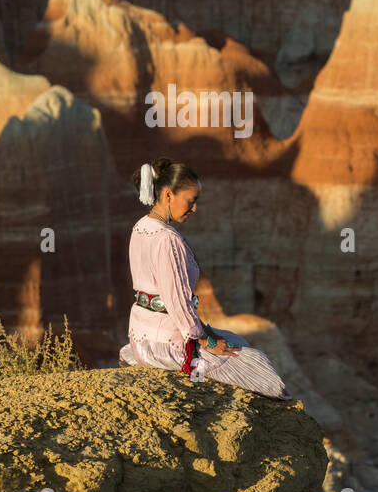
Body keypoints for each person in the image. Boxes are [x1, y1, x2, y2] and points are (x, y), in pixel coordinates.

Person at [118, 157, 291, 399]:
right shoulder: (168, 240)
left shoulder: (141, 227)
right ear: (168, 195)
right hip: (169, 346)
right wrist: (206, 342)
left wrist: (207, 333)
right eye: (191, 201)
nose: (194, 208)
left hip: (140, 339)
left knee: (235, 338)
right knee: (258, 365)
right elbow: (177, 302)